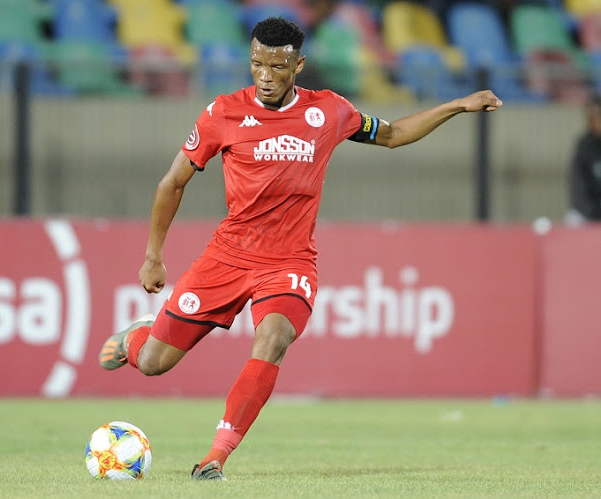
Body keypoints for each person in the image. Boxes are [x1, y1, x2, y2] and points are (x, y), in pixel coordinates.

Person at [99, 16, 502, 480]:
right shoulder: (222, 114)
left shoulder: (329, 111)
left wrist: (456, 105)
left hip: (289, 263)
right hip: (226, 258)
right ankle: (137, 340)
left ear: (299, 66)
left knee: (273, 338)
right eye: (257, 65)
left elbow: (392, 135)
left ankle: (215, 457)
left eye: (277, 66)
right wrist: (153, 255)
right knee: (153, 364)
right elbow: (173, 182)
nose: (265, 76)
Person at [567, 92, 601, 224]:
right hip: (589, 213)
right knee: (574, 218)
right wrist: (593, 213)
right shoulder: (584, 145)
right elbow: (578, 186)